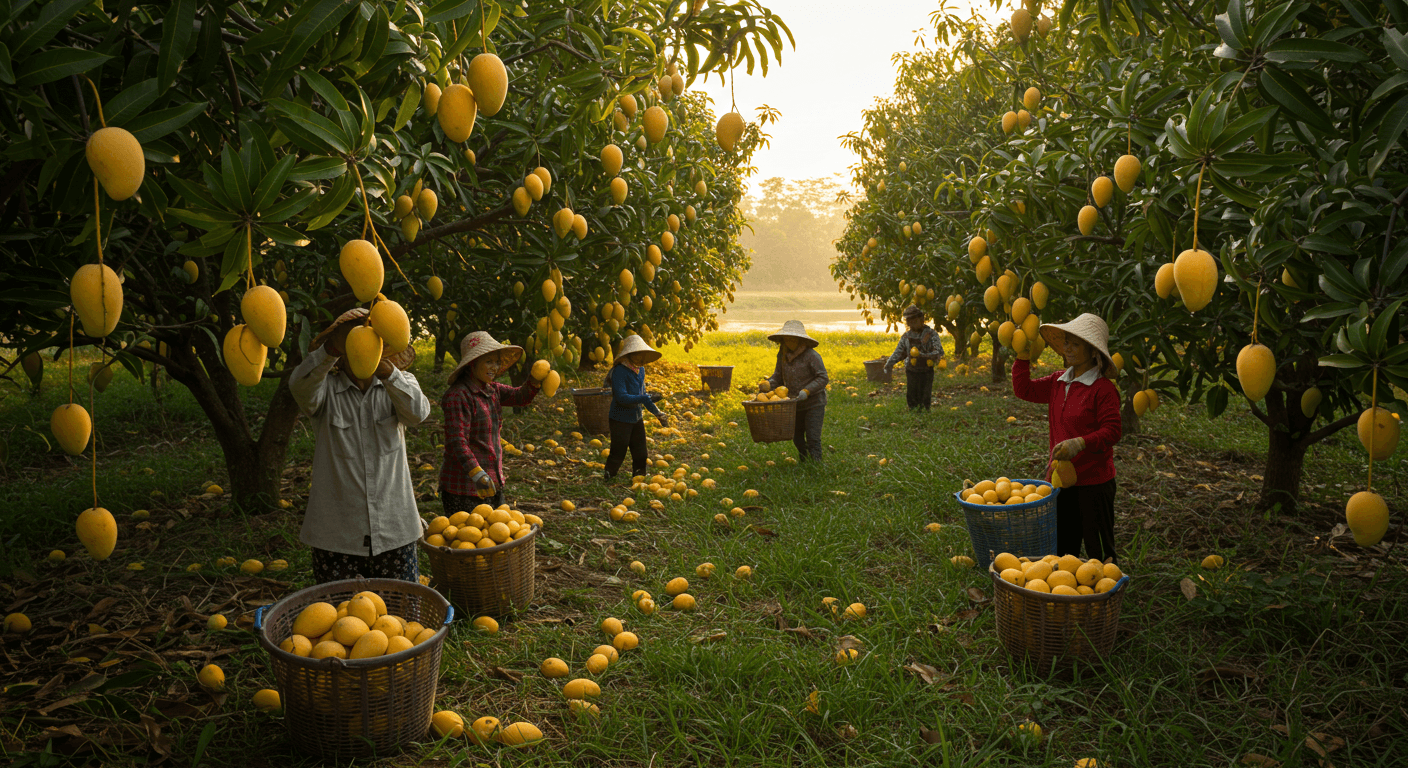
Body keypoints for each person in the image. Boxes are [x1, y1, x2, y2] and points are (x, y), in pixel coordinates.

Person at [289, 307, 431, 583]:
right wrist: (332, 348)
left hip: (394, 530)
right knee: (340, 619)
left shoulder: (399, 383)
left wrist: (386, 370)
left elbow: (418, 412)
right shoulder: (324, 391)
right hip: (337, 535)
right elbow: (299, 385)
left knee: (400, 617)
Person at [1011, 313, 1123, 562]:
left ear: (1093, 350)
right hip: (1061, 481)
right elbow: (1024, 389)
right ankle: (1067, 597)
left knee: (1101, 552)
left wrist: (1080, 442)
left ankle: (1107, 596)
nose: (1068, 349)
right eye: (1066, 342)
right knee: (1063, 549)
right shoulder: (1057, 382)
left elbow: (1113, 430)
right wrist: (1022, 355)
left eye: (1075, 343)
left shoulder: (1103, 389)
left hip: (1094, 484)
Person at [439, 331, 543, 515]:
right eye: (488, 361)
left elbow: (520, 396)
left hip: (492, 480)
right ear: (473, 363)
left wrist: (535, 379)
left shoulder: (492, 389)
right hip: (464, 488)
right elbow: (457, 442)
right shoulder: (458, 395)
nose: (494, 367)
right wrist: (477, 474)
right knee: (469, 540)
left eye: (497, 362)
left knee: (494, 536)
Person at [762, 320, 829, 463]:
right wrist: (769, 384)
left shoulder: (812, 355)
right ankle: (804, 461)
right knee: (797, 437)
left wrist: (807, 390)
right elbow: (778, 377)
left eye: (793, 339)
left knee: (813, 437)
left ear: (800, 340)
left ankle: (817, 464)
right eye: (787, 339)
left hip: (814, 403)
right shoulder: (782, 355)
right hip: (794, 403)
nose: (790, 342)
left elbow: (823, 377)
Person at [604, 335, 668, 482]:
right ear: (630, 354)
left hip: (636, 417)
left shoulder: (641, 370)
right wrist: (644, 398)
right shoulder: (620, 371)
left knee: (641, 451)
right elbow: (621, 397)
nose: (642, 358)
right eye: (638, 354)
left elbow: (643, 395)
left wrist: (658, 413)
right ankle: (609, 474)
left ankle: (639, 477)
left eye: (643, 355)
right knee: (618, 451)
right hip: (619, 418)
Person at [882, 305, 944, 410]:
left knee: (925, 395)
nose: (911, 323)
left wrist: (922, 356)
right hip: (911, 370)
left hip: (926, 371)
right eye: (909, 321)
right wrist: (889, 364)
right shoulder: (906, 337)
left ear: (921, 319)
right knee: (912, 395)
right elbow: (898, 352)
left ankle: (925, 413)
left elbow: (938, 352)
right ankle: (913, 412)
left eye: (914, 320)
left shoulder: (931, 335)